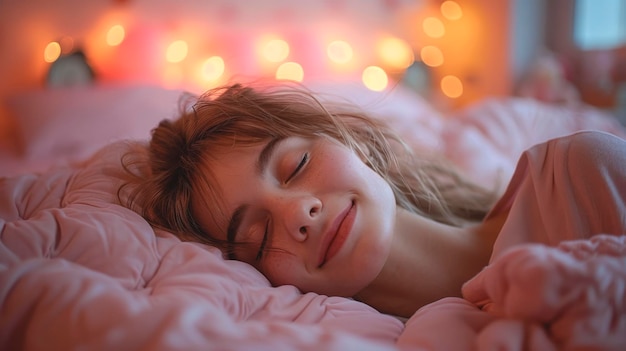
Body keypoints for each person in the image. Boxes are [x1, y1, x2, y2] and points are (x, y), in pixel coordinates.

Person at [121, 82, 626, 319]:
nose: (298, 213)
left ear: (353, 142)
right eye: (256, 238)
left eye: (295, 166)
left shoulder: (582, 175)